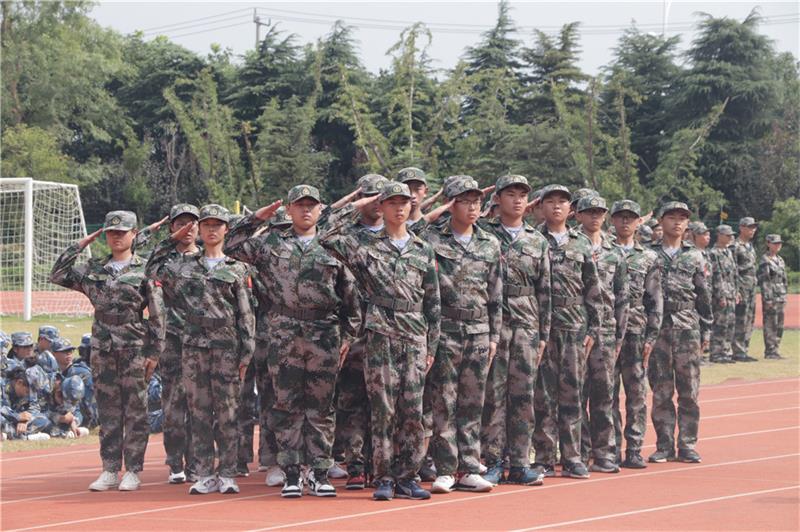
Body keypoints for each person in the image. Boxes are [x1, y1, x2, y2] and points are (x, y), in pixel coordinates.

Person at [225, 185, 361, 498]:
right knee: (286, 405)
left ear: (321, 209)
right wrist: (256, 219)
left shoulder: (334, 245)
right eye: (299, 205)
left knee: (321, 407)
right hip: (283, 334)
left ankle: (319, 471)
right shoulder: (270, 243)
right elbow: (231, 245)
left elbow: (351, 296)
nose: (306, 210)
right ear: (289, 209)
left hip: (324, 334)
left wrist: (347, 336)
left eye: (311, 205)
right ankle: (291, 472)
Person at [322, 181, 441, 502]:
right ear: (382, 206)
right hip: (380, 336)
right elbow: (325, 232)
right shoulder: (365, 247)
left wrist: (431, 347)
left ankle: (408, 476)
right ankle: (385, 476)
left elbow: (433, 303)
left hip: (414, 337)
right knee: (383, 410)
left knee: (412, 411)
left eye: (404, 202)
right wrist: (359, 204)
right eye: (392, 202)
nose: (399, 208)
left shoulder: (422, 249)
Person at [50, 210, 166, 492]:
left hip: (134, 346)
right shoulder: (93, 269)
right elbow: (58, 274)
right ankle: (110, 469)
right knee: (108, 410)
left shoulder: (145, 269)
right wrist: (81, 244)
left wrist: (154, 353)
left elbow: (157, 314)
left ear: (134, 234)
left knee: (135, 411)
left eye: (122, 232)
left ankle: (133, 470)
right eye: (111, 232)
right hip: (103, 348)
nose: (116, 237)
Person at [151, 204, 254, 495]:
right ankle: (205, 472)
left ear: (225, 230)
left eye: (217, 225)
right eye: (206, 225)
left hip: (226, 346)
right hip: (194, 346)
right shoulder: (184, 266)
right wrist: (172, 239)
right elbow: (151, 269)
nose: (211, 230)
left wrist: (247, 351)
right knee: (199, 412)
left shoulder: (236, 269)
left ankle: (228, 472)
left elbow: (246, 313)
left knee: (228, 412)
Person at [422, 176, 502, 494]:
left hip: (479, 331)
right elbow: (409, 229)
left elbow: (495, 294)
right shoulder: (431, 239)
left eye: (476, 201)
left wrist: (494, 336)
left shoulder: (489, 243)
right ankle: (445, 468)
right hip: (446, 329)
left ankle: (468, 467)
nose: (472, 207)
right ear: (450, 204)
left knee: (472, 402)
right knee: (443, 401)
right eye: (464, 201)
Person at [479, 175, 551, 486]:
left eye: (523, 194)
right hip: (494, 325)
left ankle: (520, 462)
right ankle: (494, 461)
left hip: (526, 326)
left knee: (523, 396)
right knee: (493, 396)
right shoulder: (484, 235)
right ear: (497, 199)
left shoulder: (537, 240)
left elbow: (544, 291)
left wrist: (544, 334)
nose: (518, 200)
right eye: (510, 194)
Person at [322, 173, 389, 490]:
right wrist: (352, 203)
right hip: (353, 327)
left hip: (389, 328)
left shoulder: (398, 234)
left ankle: (382, 464)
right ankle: (356, 464)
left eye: (381, 197)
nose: (376, 203)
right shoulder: (346, 236)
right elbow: (324, 226)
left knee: (385, 401)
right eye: (369, 196)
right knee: (351, 399)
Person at [532, 185, 602, 480]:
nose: (557, 206)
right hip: (543, 328)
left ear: (571, 209)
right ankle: (545, 458)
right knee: (543, 396)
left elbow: (593, 288)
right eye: (550, 201)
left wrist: (594, 327)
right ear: (540, 207)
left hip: (574, 327)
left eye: (562, 202)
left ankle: (573, 457)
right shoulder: (533, 240)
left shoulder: (581, 243)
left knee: (572, 395)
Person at [647, 202, 712, 464]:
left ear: (687, 225)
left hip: (687, 328)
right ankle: (664, 445)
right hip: (658, 328)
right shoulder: (649, 254)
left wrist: (706, 330)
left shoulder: (695, 256)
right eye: (671, 217)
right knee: (660, 390)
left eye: (682, 218)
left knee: (689, 390)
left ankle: (687, 444)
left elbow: (704, 295)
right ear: (661, 221)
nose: (677, 222)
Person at [144, 203, 201, 484]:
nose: (187, 229)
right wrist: (169, 241)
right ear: (172, 228)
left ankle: (198, 463)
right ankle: (176, 462)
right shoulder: (164, 263)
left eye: (192, 223)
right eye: (181, 224)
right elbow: (148, 267)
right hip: (173, 342)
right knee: (174, 406)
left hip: (204, 341)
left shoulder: (209, 260)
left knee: (201, 407)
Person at [575, 196, 629, 474]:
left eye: (599, 212)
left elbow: (622, 297)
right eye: (589, 212)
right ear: (578, 215)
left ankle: (604, 452)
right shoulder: (571, 245)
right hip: (576, 328)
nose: (594, 216)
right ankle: (580, 452)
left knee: (603, 394)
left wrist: (619, 336)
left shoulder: (614, 252)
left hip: (606, 332)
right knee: (575, 393)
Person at [609, 200, 662, 469]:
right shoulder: (602, 251)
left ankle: (634, 449)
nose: (625, 222)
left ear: (639, 222)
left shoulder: (649, 257)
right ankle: (610, 448)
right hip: (607, 332)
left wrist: (652, 336)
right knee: (606, 394)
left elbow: (655, 300)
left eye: (630, 217)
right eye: (620, 217)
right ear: (612, 220)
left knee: (637, 395)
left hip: (636, 333)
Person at [50, 337, 98, 428]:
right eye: (64, 351)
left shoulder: (80, 372)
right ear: (53, 354)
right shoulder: (55, 373)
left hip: (87, 417)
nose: (68, 353)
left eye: (70, 351)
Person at [708, 225, 738, 364]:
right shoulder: (713, 253)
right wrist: (720, 295)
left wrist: (736, 291)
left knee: (730, 324)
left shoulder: (728, 252)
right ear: (719, 235)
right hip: (721, 294)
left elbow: (734, 274)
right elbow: (716, 276)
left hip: (731, 292)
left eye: (731, 235)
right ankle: (716, 353)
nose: (731, 237)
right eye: (728, 235)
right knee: (720, 324)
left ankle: (726, 352)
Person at [732, 217, 759, 362]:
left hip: (751, 288)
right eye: (749, 227)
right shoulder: (735, 246)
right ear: (741, 228)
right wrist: (736, 290)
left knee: (749, 318)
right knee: (740, 318)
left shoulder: (750, 246)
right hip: (741, 287)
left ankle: (744, 348)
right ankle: (737, 350)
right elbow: (733, 270)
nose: (752, 230)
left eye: (754, 227)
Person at [1, 365, 52, 441]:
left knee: (44, 420)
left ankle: (11, 435)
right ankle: (22, 436)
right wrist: (17, 416)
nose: (29, 395)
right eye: (27, 391)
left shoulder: (30, 391)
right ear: (19, 382)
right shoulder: (2, 385)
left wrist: (25, 421)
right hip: (6, 418)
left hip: (14, 423)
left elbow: (34, 409)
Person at [758, 234, 788, 360]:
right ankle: (770, 351)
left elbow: (784, 279)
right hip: (771, 297)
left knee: (780, 324)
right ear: (768, 244)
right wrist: (768, 298)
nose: (778, 245)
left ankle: (776, 349)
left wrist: (785, 294)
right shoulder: (765, 260)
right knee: (771, 324)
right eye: (775, 243)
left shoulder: (780, 260)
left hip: (780, 296)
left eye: (779, 243)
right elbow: (765, 281)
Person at [46, 374, 89, 438]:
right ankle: (62, 433)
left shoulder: (71, 391)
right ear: (59, 393)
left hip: (57, 423)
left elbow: (77, 411)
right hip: (41, 419)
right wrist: (58, 418)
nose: (63, 404)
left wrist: (73, 421)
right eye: (63, 400)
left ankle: (67, 431)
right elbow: (36, 412)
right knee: (42, 422)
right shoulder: (45, 387)